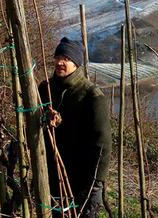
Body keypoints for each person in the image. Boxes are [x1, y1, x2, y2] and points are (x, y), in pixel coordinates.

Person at [39, 37, 112, 218]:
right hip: (51, 171)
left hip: (82, 177)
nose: (60, 62)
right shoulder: (45, 89)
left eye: (66, 58)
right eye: (58, 57)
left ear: (76, 63)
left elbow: (102, 143)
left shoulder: (91, 95)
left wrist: (96, 183)